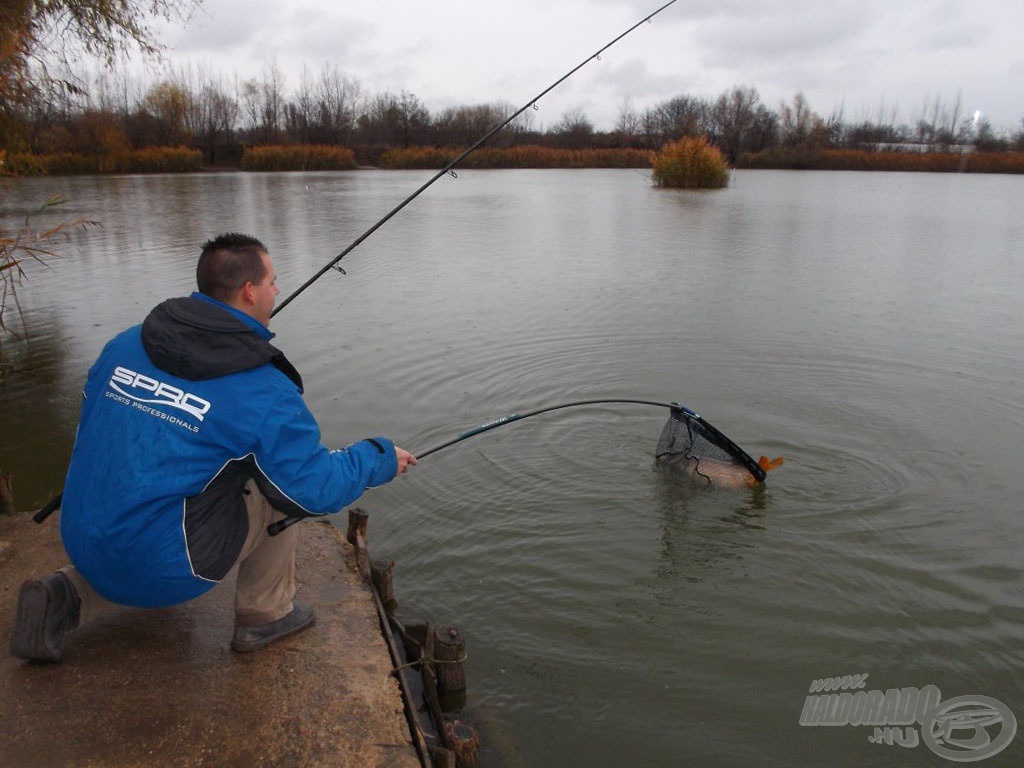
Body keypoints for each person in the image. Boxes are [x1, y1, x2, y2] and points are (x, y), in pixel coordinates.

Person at [10, 233, 416, 662]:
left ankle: (65, 593)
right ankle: (266, 615)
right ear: (249, 291)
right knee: (279, 488)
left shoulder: (124, 344)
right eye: (273, 281)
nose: (277, 290)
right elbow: (313, 488)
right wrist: (380, 457)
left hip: (80, 535)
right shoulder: (263, 391)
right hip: (166, 569)